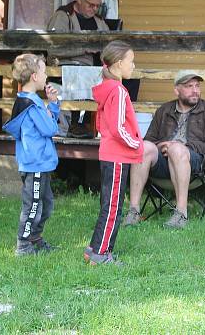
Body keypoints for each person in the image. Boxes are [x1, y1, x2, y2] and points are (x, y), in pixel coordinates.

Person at [123, 70, 205, 229]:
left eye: (197, 86)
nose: (195, 90)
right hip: (163, 164)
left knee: (177, 150)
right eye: (189, 86)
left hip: (196, 165)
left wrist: (185, 146)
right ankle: (133, 211)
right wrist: (162, 145)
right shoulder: (164, 110)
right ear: (177, 90)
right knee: (143, 147)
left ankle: (181, 213)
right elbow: (149, 139)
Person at [84, 41, 157, 265]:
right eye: (131, 61)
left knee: (109, 205)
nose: (133, 66)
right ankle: (101, 254)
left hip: (110, 155)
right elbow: (117, 127)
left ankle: (94, 248)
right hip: (116, 156)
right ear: (118, 64)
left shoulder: (108, 88)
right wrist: (137, 144)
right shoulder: (117, 90)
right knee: (113, 207)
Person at [3, 53, 61, 256]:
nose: (47, 76)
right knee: (33, 206)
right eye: (44, 71)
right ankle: (23, 245)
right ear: (35, 76)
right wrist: (53, 105)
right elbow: (50, 129)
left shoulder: (29, 100)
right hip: (35, 164)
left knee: (45, 204)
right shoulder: (32, 104)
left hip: (40, 163)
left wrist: (50, 106)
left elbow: (46, 125)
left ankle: (35, 238)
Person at [46, 0, 110, 138]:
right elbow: (53, 49)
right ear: (79, 0)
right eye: (91, 5)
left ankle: (101, 127)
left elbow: (110, 44)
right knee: (83, 77)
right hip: (66, 69)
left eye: (97, 6)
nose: (94, 9)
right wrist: (85, 49)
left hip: (93, 71)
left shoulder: (99, 22)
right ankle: (77, 125)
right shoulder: (63, 16)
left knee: (128, 80)